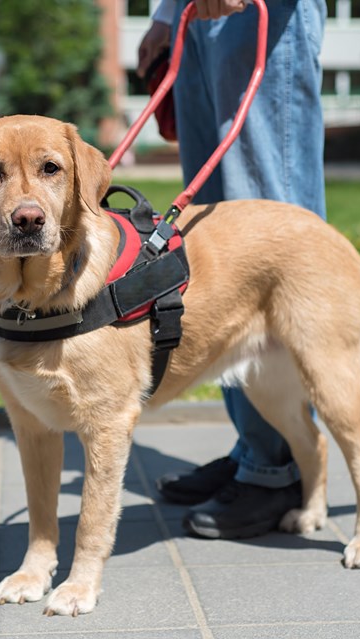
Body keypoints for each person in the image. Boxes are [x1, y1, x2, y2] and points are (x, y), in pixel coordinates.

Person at [137, 0, 327, 539]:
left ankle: (278, 469)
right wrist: (170, 15)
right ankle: (256, 447)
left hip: (265, 12)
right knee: (214, 237)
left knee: (266, 224)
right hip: (199, 18)